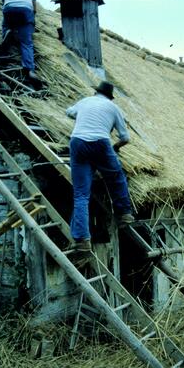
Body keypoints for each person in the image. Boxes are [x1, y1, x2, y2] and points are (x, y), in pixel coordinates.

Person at [65, 81, 135, 251]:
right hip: (101, 143)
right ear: (110, 96)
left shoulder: (84, 101)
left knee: (81, 194)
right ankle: (124, 214)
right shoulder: (114, 108)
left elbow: (69, 112)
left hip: (78, 142)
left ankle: (82, 240)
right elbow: (125, 138)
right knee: (116, 177)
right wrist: (114, 147)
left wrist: (80, 117)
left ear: (96, 93)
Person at [1, 0, 37, 79]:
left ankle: (7, 32)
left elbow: (3, 3)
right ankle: (29, 69)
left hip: (9, 9)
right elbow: (34, 3)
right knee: (26, 42)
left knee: (5, 23)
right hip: (25, 10)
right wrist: (32, 18)